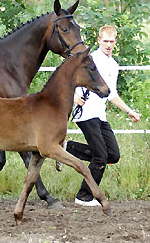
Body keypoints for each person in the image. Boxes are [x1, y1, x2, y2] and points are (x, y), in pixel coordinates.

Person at [56, 25, 140, 206]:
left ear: (115, 42)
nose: (109, 45)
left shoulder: (113, 65)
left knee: (113, 155)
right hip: (86, 113)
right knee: (100, 156)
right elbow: (66, 77)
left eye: (112, 41)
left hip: (100, 115)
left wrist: (129, 110)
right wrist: (75, 96)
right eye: (105, 41)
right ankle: (83, 196)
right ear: (99, 40)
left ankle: (67, 147)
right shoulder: (89, 58)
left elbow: (112, 94)